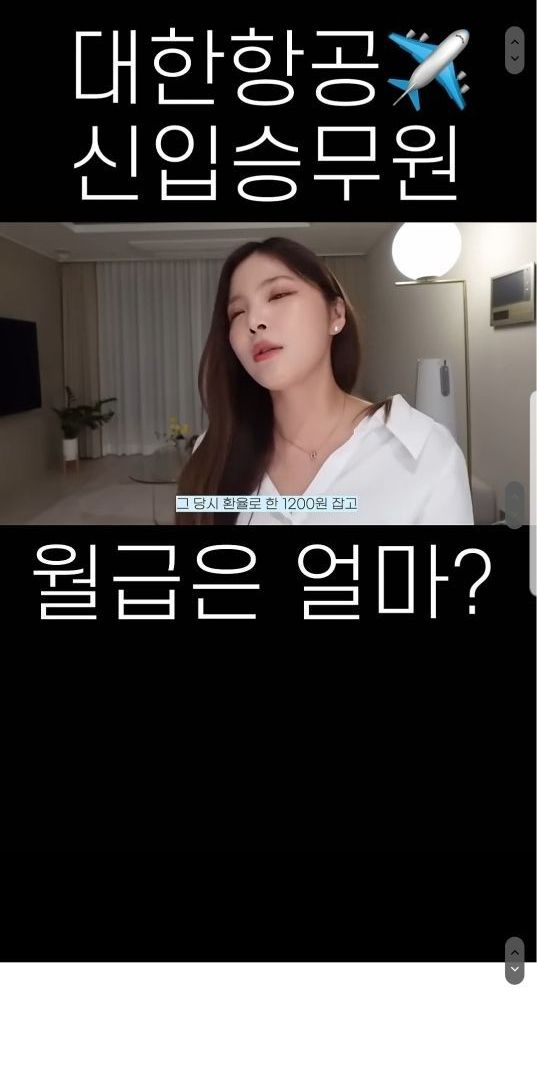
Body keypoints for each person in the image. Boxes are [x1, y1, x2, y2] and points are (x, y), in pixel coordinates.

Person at [177, 236, 474, 525]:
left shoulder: (425, 450)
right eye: (237, 312)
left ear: (336, 314)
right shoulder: (213, 454)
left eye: (278, 295)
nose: (254, 321)